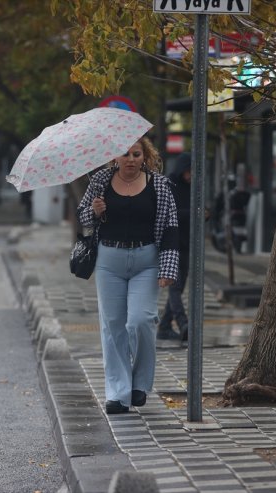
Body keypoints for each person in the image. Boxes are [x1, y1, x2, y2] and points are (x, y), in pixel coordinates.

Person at [77, 136, 179, 414]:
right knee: (113, 326)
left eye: (136, 154)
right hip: (110, 260)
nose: (131, 159)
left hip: (147, 261)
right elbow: (83, 217)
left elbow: (170, 225)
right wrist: (94, 211)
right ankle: (118, 394)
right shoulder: (99, 181)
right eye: (125, 154)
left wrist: (169, 267)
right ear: (115, 158)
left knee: (141, 321)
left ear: (145, 156)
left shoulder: (159, 184)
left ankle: (139, 384)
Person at [157, 152, 192, 342]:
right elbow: (170, 213)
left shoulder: (191, 186)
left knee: (180, 285)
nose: (191, 175)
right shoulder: (169, 184)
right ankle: (182, 322)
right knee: (175, 286)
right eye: (188, 171)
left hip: (187, 242)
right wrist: (193, 213)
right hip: (171, 243)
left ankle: (163, 327)